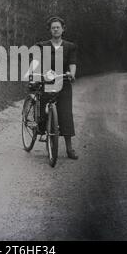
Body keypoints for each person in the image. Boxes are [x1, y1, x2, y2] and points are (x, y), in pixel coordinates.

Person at [36, 16, 78, 160]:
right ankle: (46, 135)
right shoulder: (42, 46)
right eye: (53, 27)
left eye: (58, 27)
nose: (55, 29)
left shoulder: (70, 46)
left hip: (63, 82)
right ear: (50, 30)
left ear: (63, 29)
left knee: (65, 114)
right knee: (44, 112)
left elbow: (72, 63)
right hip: (47, 82)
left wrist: (71, 74)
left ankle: (69, 148)